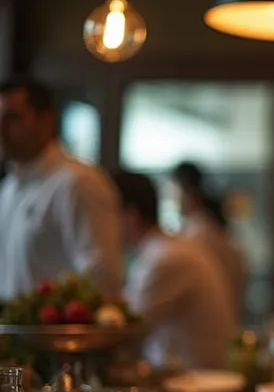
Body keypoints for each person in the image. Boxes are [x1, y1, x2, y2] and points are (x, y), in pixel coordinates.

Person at [0, 76, 122, 301]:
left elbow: (101, 280)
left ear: (46, 121)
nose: (2, 130)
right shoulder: (9, 188)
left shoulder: (78, 182)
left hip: (55, 336)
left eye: (12, 118)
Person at [114, 171, 237, 370]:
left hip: (195, 388)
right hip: (191, 381)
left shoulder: (166, 259)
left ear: (131, 217)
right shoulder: (166, 250)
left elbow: (125, 333)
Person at [171, 161, 247, 322]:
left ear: (189, 194)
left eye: (174, 190)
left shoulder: (196, 238)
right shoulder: (216, 233)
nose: (172, 198)